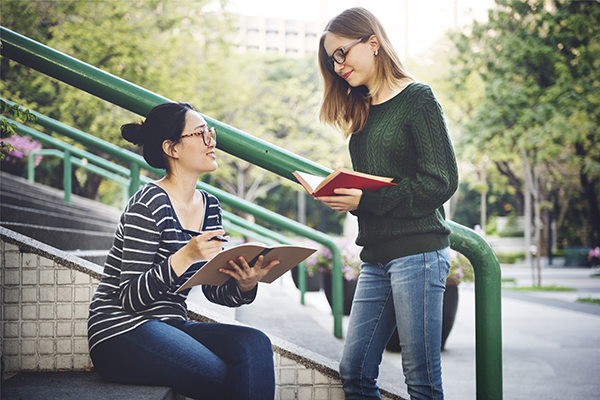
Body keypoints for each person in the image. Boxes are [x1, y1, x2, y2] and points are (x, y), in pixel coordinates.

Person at [87, 102, 278, 400]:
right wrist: (184, 257)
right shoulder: (148, 203)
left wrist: (244, 284)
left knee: (254, 344)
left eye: (210, 133)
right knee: (225, 376)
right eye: (200, 134)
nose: (211, 141)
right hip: (120, 331)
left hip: (171, 325)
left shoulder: (210, 206)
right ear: (172, 148)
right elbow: (129, 298)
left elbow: (215, 291)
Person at [315, 7, 459, 400]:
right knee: (355, 372)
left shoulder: (418, 99)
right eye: (332, 60)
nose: (338, 65)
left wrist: (367, 199)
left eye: (342, 53)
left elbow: (441, 180)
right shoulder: (361, 112)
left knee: (420, 381)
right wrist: (349, 196)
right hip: (375, 257)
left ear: (373, 42)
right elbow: (375, 190)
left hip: (419, 252)